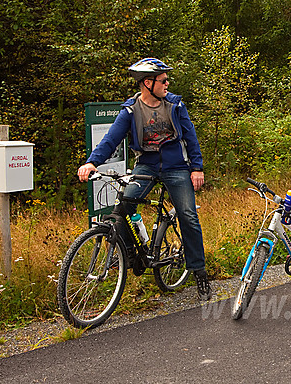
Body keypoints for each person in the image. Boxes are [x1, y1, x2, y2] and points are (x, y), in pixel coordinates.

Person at [77, 58, 211, 301]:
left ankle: (199, 271)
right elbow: (111, 139)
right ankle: (129, 254)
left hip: (176, 167)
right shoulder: (130, 110)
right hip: (146, 166)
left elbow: (190, 137)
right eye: (163, 80)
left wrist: (196, 168)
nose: (167, 84)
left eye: (167, 80)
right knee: (122, 206)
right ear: (147, 83)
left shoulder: (175, 106)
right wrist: (92, 162)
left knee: (188, 216)